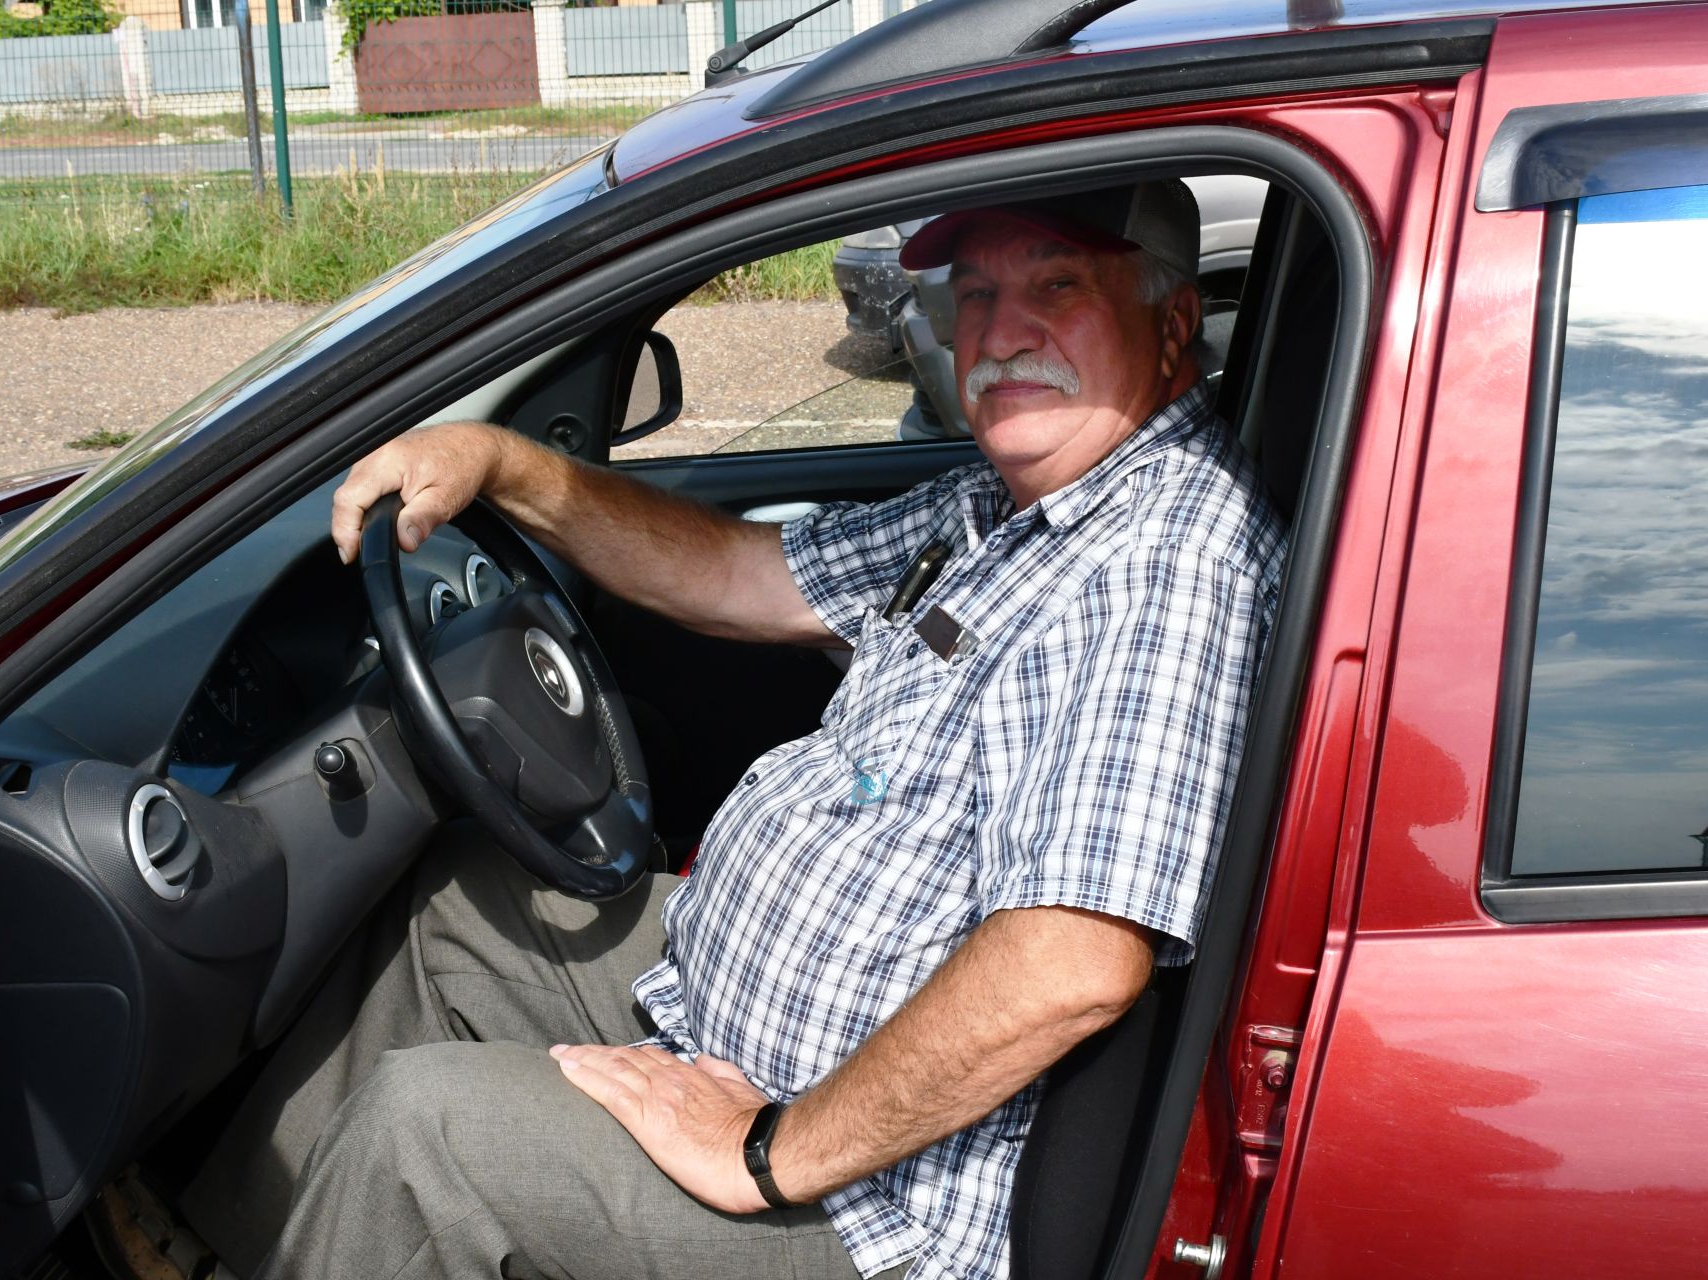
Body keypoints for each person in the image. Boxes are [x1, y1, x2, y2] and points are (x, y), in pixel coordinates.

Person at [179, 179, 1287, 1280]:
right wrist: (508, 466)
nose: (1001, 332)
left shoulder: (1166, 561)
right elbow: (739, 574)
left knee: (428, 1137)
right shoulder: (999, 507)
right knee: (453, 905)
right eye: (979, 292)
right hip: (719, 1011)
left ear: (1174, 319)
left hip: (868, 1193)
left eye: (1058, 283)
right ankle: (231, 1247)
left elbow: (1073, 961)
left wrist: (768, 1149)